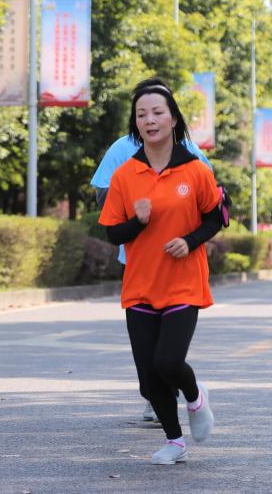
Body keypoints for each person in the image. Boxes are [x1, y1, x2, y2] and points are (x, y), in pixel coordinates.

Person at [99, 81, 222, 465]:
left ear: (173, 119)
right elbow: (112, 232)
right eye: (141, 114)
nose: (149, 120)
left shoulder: (195, 169)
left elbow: (216, 216)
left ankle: (196, 398)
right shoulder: (125, 175)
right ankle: (175, 442)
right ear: (135, 124)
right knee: (148, 381)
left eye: (157, 112)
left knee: (167, 362)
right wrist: (137, 222)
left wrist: (190, 240)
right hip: (140, 285)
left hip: (183, 282)